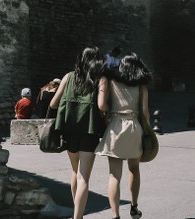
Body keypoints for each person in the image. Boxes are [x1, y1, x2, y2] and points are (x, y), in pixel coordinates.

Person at [49, 47, 106, 219]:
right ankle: (78, 217)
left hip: (69, 131)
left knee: (75, 172)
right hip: (89, 131)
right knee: (84, 177)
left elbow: (53, 104)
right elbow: (102, 106)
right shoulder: (100, 79)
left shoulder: (68, 77)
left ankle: (77, 211)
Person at [96, 52, 152, 219]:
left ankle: (115, 215)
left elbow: (101, 105)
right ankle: (134, 208)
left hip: (115, 125)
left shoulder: (110, 80)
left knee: (114, 174)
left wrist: (110, 112)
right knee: (134, 169)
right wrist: (147, 130)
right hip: (134, 126)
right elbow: (145, 113)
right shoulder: (141, 85)